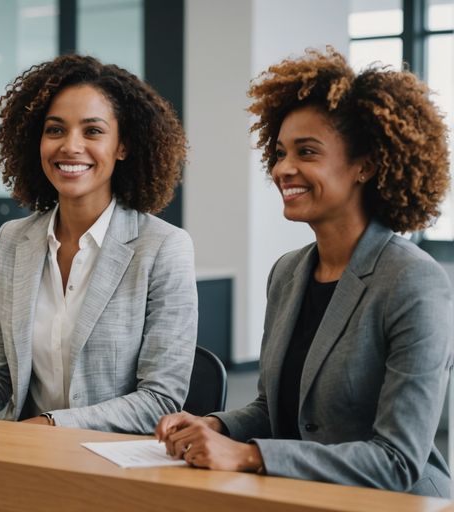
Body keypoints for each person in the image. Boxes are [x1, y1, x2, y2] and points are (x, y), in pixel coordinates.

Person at [155, 48, 452, 498]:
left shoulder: (413, 281)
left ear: (365, 166)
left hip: (396, 502)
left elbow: (398, 459)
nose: (282, 169)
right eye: (279, 153)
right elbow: (275, 412)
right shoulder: (289, 273)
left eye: (306, 152)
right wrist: (213, 425)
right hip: (301, 492)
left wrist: (250, 455)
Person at [0, 54, 197, 433]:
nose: (70, 146)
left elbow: (159, 401)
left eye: (93, 131)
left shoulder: (163, 248)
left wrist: (50, 425)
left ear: (123, 146)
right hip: (28, 458)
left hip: (115, 469)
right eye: (55, 130)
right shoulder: (12, 242)